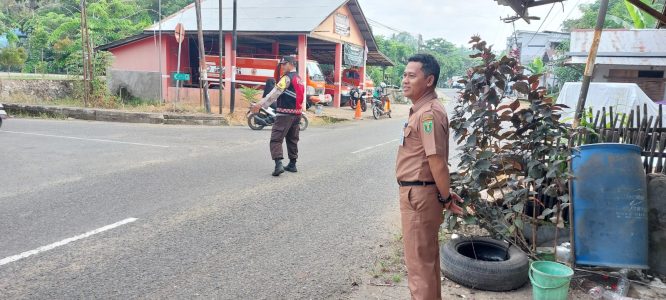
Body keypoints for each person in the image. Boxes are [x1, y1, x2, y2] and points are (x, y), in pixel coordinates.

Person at [396, 53, 464, 300]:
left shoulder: (427, 114)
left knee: (419, 268)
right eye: (404, 75)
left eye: (411, 76)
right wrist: (443, 194)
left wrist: (446, 196)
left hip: (418, 197)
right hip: (422, 193)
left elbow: (436, 161)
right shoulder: (423, 110)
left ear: (429, 80)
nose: (404, 80)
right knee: (426, 262)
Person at [252, 56, 305, 176]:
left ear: (291, 64)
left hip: (284, 114)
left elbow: (275, 92)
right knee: (292, 139)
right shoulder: (299, 78)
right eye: (282, 64)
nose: (282, 66)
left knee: (276, 139)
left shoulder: (286, 78)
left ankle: (278, 165)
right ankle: (292, 164)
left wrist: (260, 104)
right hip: (297, 114)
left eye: (284, 64)